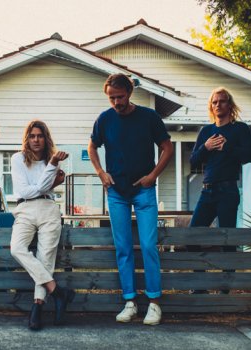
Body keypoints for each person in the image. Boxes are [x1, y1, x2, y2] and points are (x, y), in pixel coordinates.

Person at [88, 73, 173, 326]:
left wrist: (153, 175)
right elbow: (92, 147)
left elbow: (167, 147)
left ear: (130, 92)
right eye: (112, 98)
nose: (116, 102)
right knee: (123, 248)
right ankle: (130, 302)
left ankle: (155, 304)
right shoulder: (104, 119)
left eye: (120, 97)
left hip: (144, 190)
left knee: (148, 246)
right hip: (116, 192)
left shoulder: (149, 117)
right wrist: (101, 173)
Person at [188, 87, 251, 293]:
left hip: (228, 190)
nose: (218, 105)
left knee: (228, 238)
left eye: (222, 101)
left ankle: (225, 287)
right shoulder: (206, 132)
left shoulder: (239, 129)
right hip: (207, 191)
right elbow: (193, 161)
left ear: (230, 105)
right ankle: (200, 286)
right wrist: (205, 148)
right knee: (192, 236)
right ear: (211, 106)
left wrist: (227, 147)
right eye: (214, 102)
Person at [9, 120, 75, 331]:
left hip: (48, 208)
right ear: (27, 139)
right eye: (32, 136)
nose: (36, 140)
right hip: (25, 209)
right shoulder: (18, 159)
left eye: (40, 136)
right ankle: (58, 292)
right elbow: (26, 192)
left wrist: (53, 166)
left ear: (46, 138)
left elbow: (40, 188)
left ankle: (37, 306)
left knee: (45, 258)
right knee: (17, 248)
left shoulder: (51, 161)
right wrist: (51, 182)